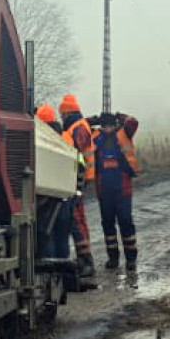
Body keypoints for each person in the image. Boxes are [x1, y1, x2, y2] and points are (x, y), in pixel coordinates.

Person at [89, 111, 141, 271]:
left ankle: (131, 259)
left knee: (125, 222)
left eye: (111, 125)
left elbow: (134, 122)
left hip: (122, 187)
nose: (108, 129)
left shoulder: (124, 132)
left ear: (115, 124)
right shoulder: (95, 136)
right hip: (104, 188)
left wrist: (120, 116)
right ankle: (113, 258)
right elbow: (80, 126)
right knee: (108, 224)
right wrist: (93, 119)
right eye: (105, 126)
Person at [59, 94, 97, 278]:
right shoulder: (79, 126)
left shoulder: (78, 128)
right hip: (78, 179)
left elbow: (78, 155)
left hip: (77, 179)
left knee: (76, 219)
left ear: (67, 113)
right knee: (77, 218)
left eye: (62, 114)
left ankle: (86, 261)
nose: (61, 118)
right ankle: (85, 260)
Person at [35, 104, 74, 263]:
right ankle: (63, 271)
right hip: (66, 196)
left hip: (47, 198)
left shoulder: (42, 138)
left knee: (47, 235)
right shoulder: (66, 136)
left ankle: (50, 272)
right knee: (62, 234)